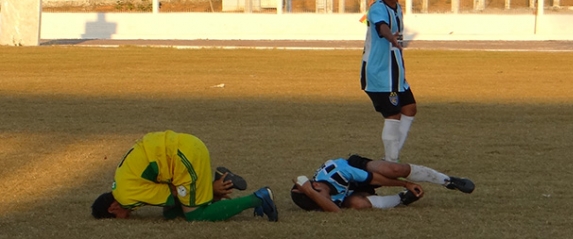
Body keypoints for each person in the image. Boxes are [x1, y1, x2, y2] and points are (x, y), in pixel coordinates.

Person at [91, 130, 278, 222]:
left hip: (184, 158)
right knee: (171, 214)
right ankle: (215, 185)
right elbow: (171, 203)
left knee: (195, 216)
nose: (128, 217)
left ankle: (258, 198)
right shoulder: (120, 181)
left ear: (113, 208)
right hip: (186, 148)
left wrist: (210, 191)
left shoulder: (126, 197)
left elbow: (172, 193)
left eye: (121, 217)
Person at [291, 154, 474, 212]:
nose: (327, 201)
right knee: (357, 204)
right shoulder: (317, 195)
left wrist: (405, 183)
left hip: (357, 168)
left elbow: (375, 179)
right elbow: (336, 211)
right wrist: (311, 192)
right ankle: (402, 199)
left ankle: (447, 180)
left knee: (393, 171)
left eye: (321, 197)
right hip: (353, 190)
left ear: (316, 184)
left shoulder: (336, 171)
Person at [361, 0, 414, 163]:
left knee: (409, 108)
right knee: (393, 115)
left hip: (396, 75)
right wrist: (390, 37)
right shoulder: (377, 8)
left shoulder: (398, 8)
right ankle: (391, 162)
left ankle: (390, 159)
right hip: (378, 74)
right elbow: (382, 27)